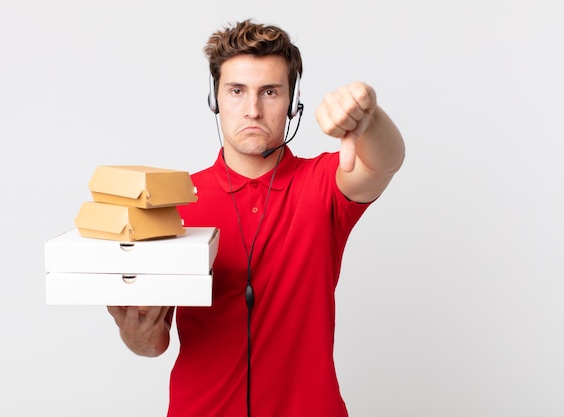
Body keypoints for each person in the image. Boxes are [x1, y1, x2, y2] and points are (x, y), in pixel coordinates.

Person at [107, 19, 405, 417]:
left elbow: (385, 161)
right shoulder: (175, 202)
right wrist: (135, 333)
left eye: (270, 92)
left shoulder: (323, 184)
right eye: (236, 91)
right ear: (214, 99)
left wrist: (370, 119)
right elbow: (155, 341)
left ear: (292, 101)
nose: (252, 109)